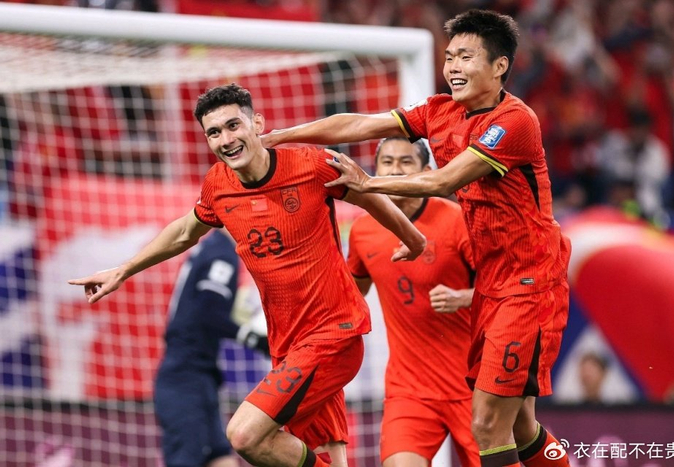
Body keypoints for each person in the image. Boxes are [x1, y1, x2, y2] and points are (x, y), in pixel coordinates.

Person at [263, 9, 572, 467]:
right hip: (492, 288)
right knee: (521, 425)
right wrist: (281, 137)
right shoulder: (440, 111)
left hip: (529, 283)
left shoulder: (514, 121)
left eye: (466, 57)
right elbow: (360, 125)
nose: (453, 67)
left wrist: (368, 183)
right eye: (449, 57)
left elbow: (444, 181)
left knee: (488, 423)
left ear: (499, 65)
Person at [69, 83, 426, 467]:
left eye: (233, 125)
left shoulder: (311, 165)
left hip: (333, 335)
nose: (226, 139)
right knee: (324, 452)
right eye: (214, 132)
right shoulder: (218, 185)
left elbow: (368, 196)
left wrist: (413, 239)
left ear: (257, 123)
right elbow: (185, 231)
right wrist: (124, 270)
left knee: (245, 434)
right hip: (287, 347)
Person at [346, 137, 480, 467]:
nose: (395, 170)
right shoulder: (363, 231)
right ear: (375, 171)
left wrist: (463, 297)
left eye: (406, 162)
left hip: (474, 385)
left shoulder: (456, 219)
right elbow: (351, 296)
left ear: (427, 171)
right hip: (409, 390)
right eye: (387, 162)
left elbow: (504, 289)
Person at [154, 228, 269, 467]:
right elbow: (209, 311)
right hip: (185, 377)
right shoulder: (221, 253)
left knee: (220, 458)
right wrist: (255, 339)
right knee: (187, 460)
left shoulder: (212, 247)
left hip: (199, 373)